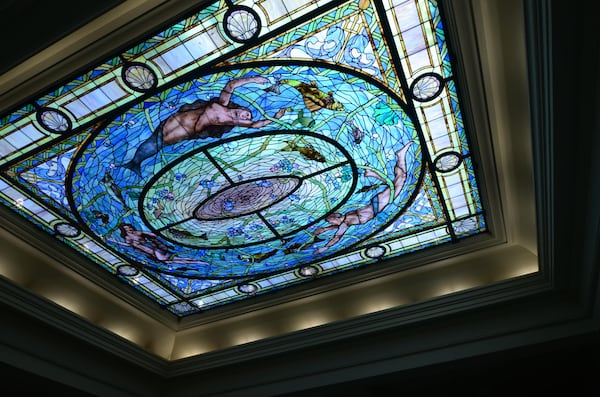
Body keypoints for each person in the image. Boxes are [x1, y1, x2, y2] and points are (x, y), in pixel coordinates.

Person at [121, 76, 286, 176]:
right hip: (178, 118)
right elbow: (230, 85)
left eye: (247, 117)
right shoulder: (222, 103)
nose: (246, 116)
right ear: (240, 108)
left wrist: (275, 118)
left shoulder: (231, 122)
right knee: (155, 137)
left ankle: (135, 163)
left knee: (158, 143)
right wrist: (253, 80)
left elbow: (256, 125)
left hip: (187, 130)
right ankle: (133, 162)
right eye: (246, 112)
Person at [314, 142, 413, 254]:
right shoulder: (345, 221)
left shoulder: (345, 223)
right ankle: (375, 172)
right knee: (398, 181)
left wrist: (325, 248)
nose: (331, 222)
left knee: (400, 180)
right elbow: (336, 227)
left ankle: (397, 157)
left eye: (330, 220)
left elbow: (336, 237)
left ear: (334, 219)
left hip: (378, 205)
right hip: (376, 204)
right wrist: (324, 229)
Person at [108, 223, 205, 264]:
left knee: (171, 259)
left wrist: (163, 232)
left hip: (155, 249)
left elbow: (152, 235)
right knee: (172, 260)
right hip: (150, 252)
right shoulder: (128, 238)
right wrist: (114, 241)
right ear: (124, 231)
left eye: (129, 227)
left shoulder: (138, 232)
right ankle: (196, 262)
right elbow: (128, 245)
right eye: (127, 229)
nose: (129, 229)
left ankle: (197, 261)